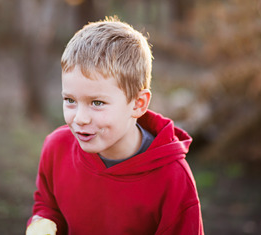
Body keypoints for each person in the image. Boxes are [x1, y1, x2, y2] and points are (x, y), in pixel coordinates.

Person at [26, 17, 204, 235]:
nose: (80, 118)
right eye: (70, 100)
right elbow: (47, 204)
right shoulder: (56, 148)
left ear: (138, 104)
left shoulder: (173, 179)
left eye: (97, 103)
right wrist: (42, 222)